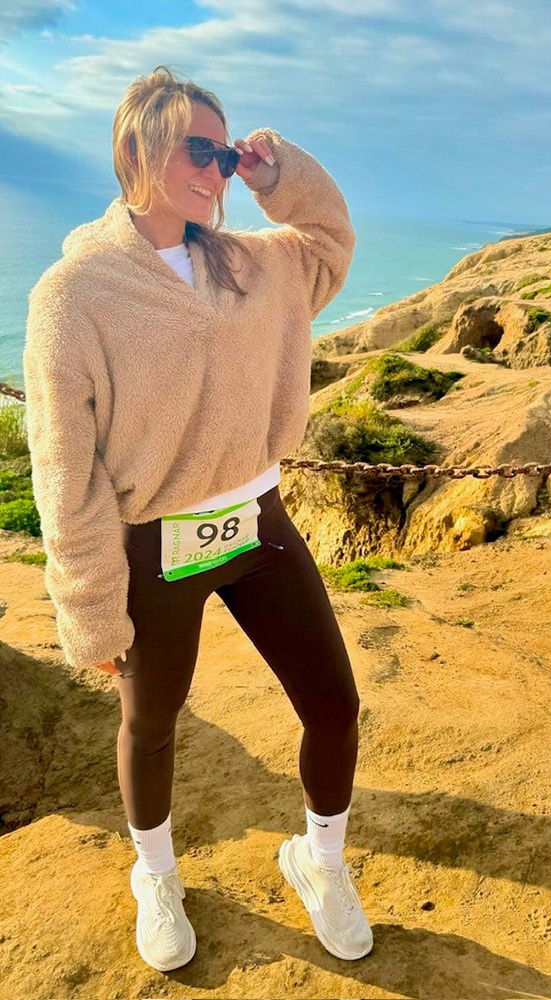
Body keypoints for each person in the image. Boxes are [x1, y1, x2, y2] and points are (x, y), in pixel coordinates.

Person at [24, 67, 369, 971]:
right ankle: (157, 875)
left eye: (221, 154)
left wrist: (275, 169)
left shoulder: (254, 261)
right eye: (197, 150)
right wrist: (90, 606)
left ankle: (320, 861)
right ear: (136, 148)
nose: (214, 170)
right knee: (153, 723)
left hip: (257, 524)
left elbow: (330, 240)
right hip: (154, 545)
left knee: (333, 703)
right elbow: (66, 468)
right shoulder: (74, 293)